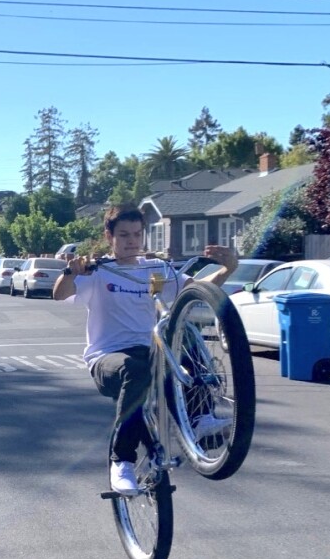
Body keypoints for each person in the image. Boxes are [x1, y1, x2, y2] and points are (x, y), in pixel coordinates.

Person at [52, 204, 238, 496]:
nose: (132, 241)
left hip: (149, 353)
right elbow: (60, 293)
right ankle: (122, 461)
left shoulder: (155, 270)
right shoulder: (99, 271)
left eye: (137, 234)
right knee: (135, 369)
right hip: (108, 358)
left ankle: (200, 418)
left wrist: (228, 269)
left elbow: (195, 291)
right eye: (124, 235)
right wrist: (71, 272)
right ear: (109, 236)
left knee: (185, 338)